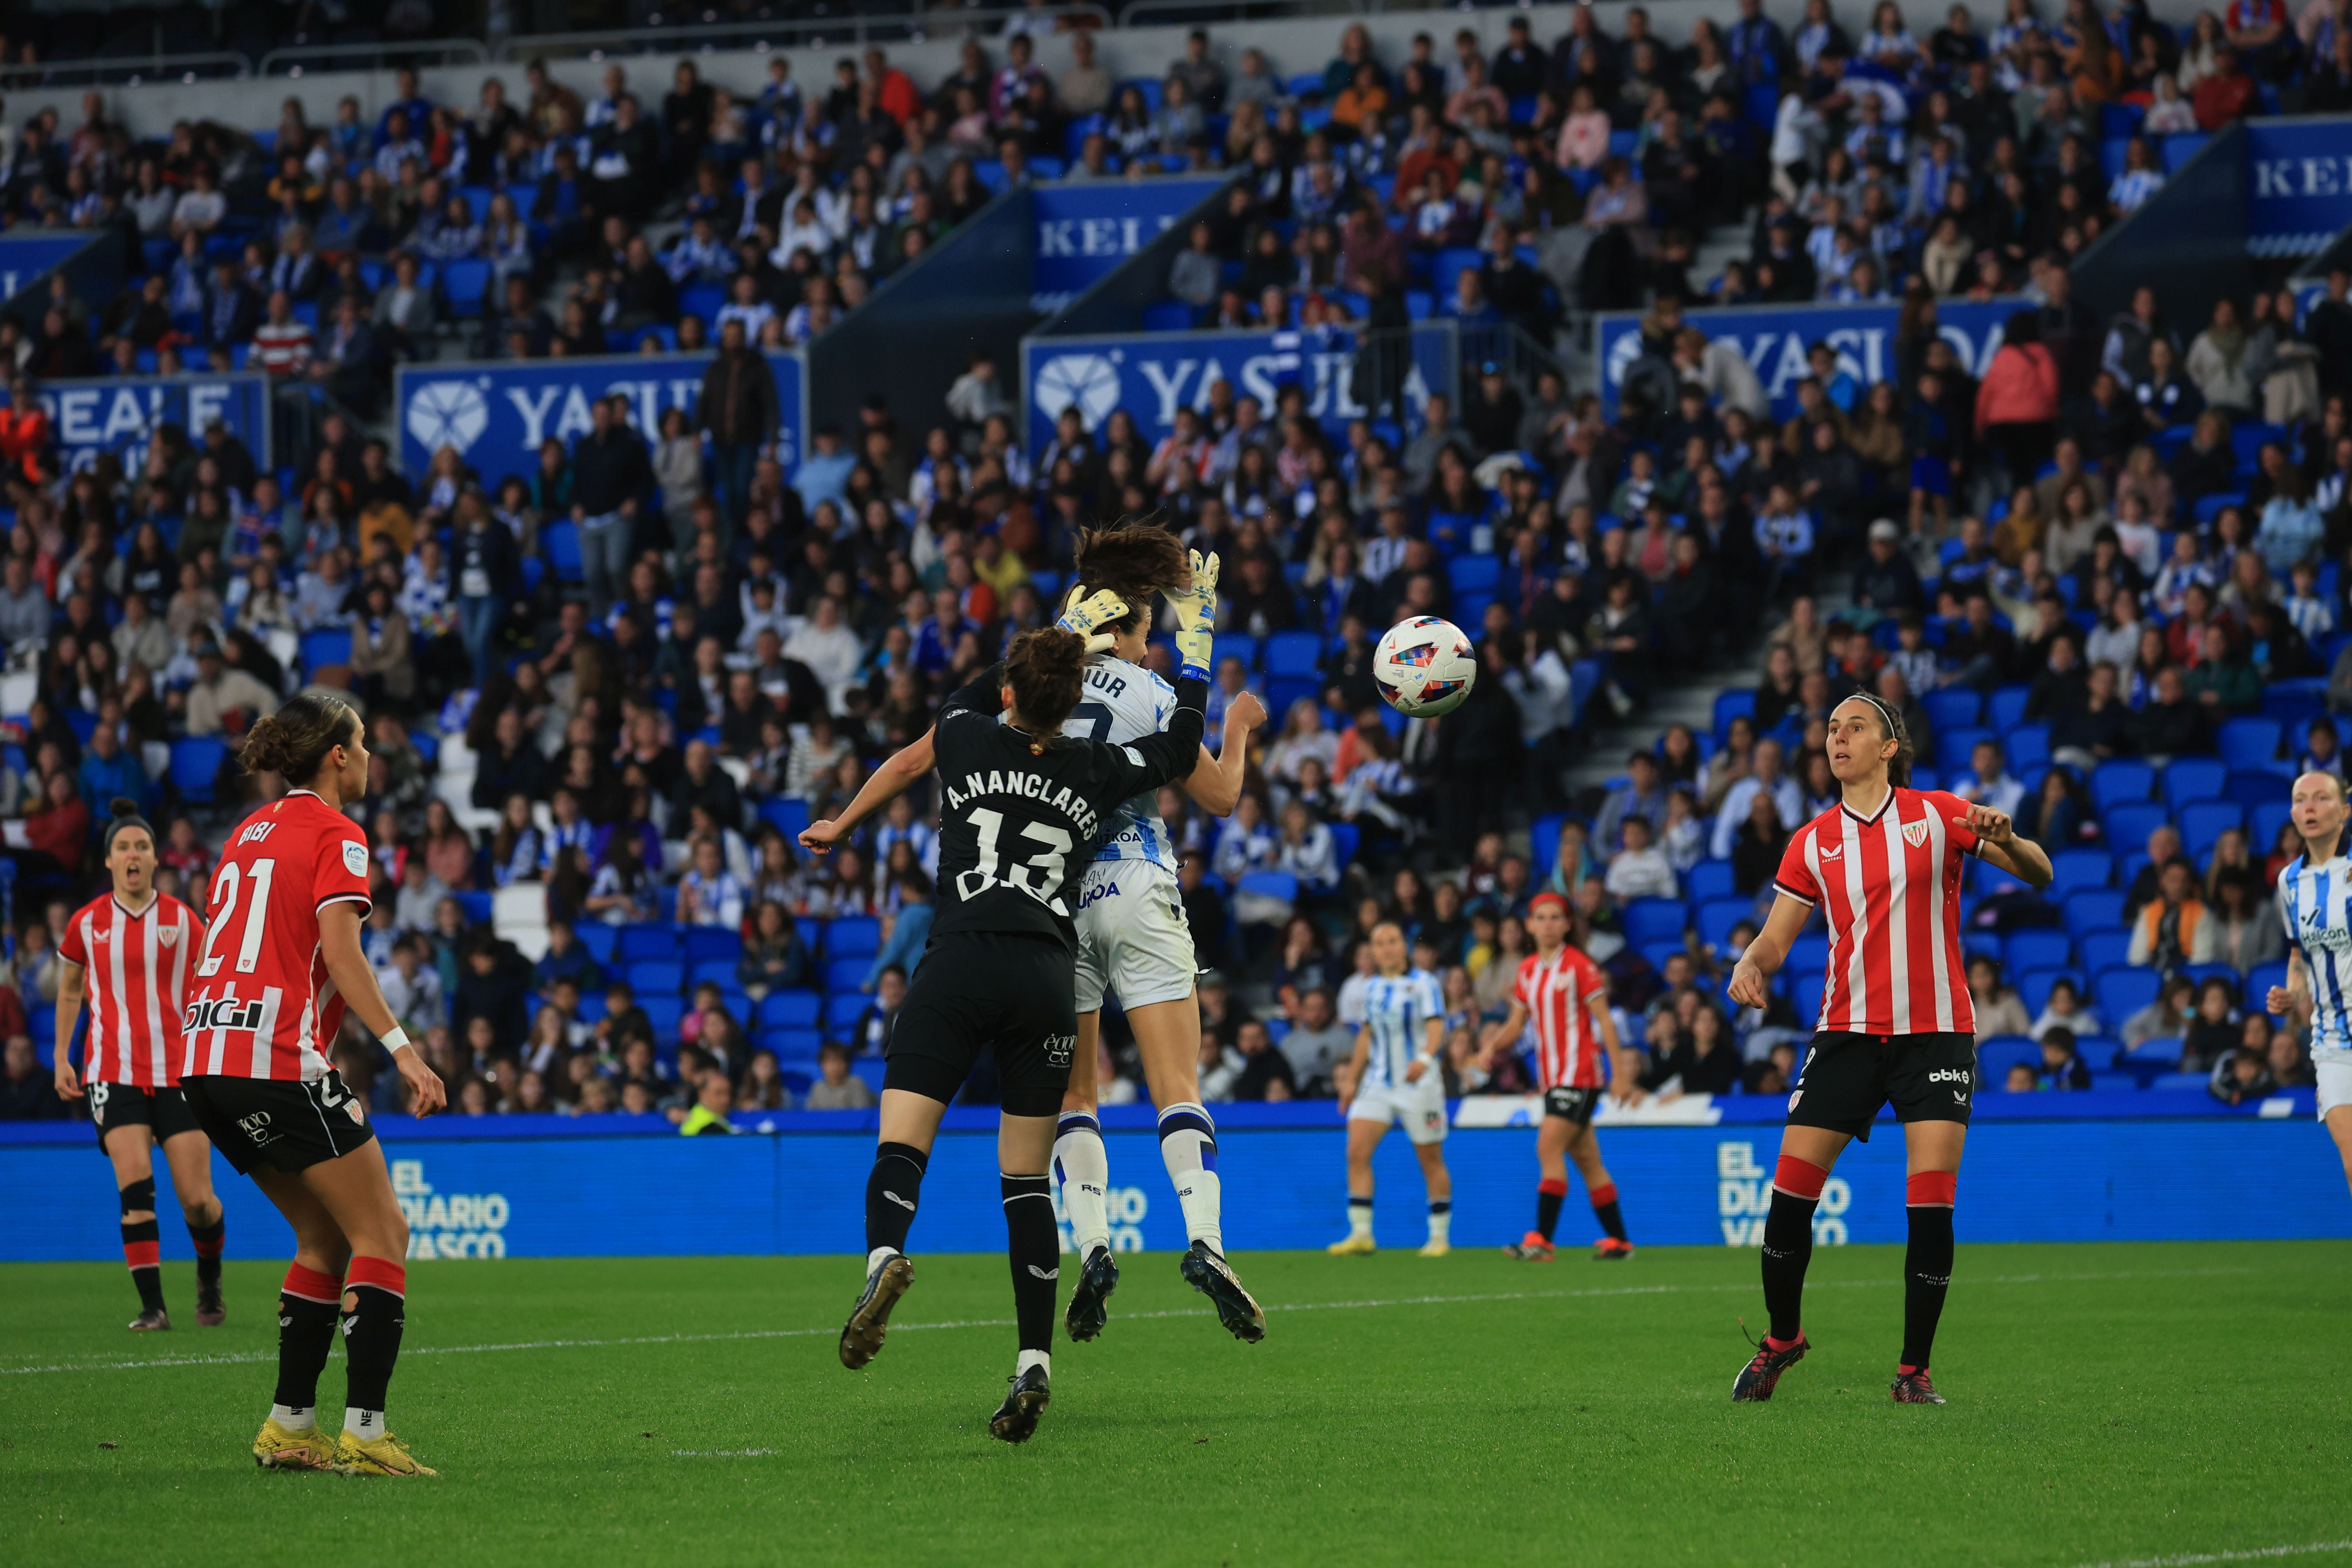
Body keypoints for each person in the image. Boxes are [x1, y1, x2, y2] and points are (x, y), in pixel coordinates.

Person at [806, 525, 1270, 1344]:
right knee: (1175, 1083)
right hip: (1137, 881)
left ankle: (1092, 1246)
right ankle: (1205, 1238)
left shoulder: (1012, 700)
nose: (1150, 642)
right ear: (1128, 635)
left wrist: (841, 823)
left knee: (1077, 1095)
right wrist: (1236, 724)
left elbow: (919, 757)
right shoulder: (1151, 691)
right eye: (1147, 631)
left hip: (1052, 910)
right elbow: (1219, 794)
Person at [1725, 693, 2053, 1405]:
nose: (1837, 738)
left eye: (1854, 728)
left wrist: (2011, 837)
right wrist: (1752, 963)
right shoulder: (1812, 841)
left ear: (1890, 747)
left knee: (1929, 1207)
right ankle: (1784, 1339)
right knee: (1787, 1202)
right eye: (1831, 728)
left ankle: (1914, 1371)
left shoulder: (1940, 813)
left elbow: (2040, 873)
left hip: (1935, 1033)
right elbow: (1776, 938)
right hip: (1845, 1035)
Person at [178, 692, 447, 1475]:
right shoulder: (340, 832)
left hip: (206, 1057)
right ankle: (365, 1432)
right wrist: (403, 1048)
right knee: (384, 1233)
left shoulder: (246, 833)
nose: (369, 756)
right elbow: (341, 952)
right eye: (362, 742)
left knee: (325, 1236)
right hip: (272, 1055)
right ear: (336, 754)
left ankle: (291, 1426)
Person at [51, 799, 220, 1331]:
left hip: (179, 1074)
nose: (133, 855)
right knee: (135, 1184)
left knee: (197, 1201)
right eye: (123, 847)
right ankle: (154, 1309)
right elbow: (71, 991)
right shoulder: (87, 923)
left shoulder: (184, 921)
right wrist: (61, 1056)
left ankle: (209, 1279)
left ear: (154, 859)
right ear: (109, 861)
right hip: (111, 1070)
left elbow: (210, 990)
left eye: (142, 846)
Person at [1478, 892, 1643, 1261]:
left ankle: (1541, 1240)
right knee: (1588, 1160)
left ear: (1568, 924)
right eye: (1542, 917)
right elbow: (1516, 1023)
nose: (1549, 924)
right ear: (1530, 925)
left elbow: (1604, 1021)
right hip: (1554, 1079)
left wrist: (1619, 1076)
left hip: (1580, 1075)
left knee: (1548, 1147)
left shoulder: (1580, 966)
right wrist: (1491, 1048)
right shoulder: (1527, 971)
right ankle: (1620, 1242)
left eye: (1556, 917)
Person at [1329, 920, 1454, 1259]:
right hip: (1378, 1084)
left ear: (1404, 946)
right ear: (1372, 950)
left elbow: (1437, 1026)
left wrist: (1426, 1059)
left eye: (1393, 941)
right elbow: (1366, 1036)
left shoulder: (1425, 983)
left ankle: (1439, 1236)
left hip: (1419, 1084)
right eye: (1379, 943)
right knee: (1356, 1151)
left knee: (1430, 1159)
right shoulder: (1370, 988)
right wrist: (1351, 1081)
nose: (1387, 948)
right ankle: (1361, 1234)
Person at [2265, 771, 2352, 1209]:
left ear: (2345, 810)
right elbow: (2299, 955)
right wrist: (2292, 995)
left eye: (2322, 798)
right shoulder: (2289, 882)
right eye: (2301, 799)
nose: (2311, 807)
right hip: (2333, 1037)